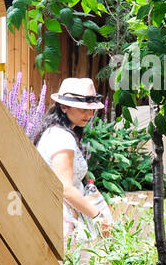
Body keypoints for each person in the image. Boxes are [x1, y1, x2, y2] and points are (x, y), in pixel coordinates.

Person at [32, 77, 114, 245]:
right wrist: (98, 216)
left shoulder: (54, 132)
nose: (90, 115)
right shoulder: (62, 138)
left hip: (56, 214)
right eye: (83, 109)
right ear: (63, 106)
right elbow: (65, 188)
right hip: (63, 219)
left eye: (91, 110)